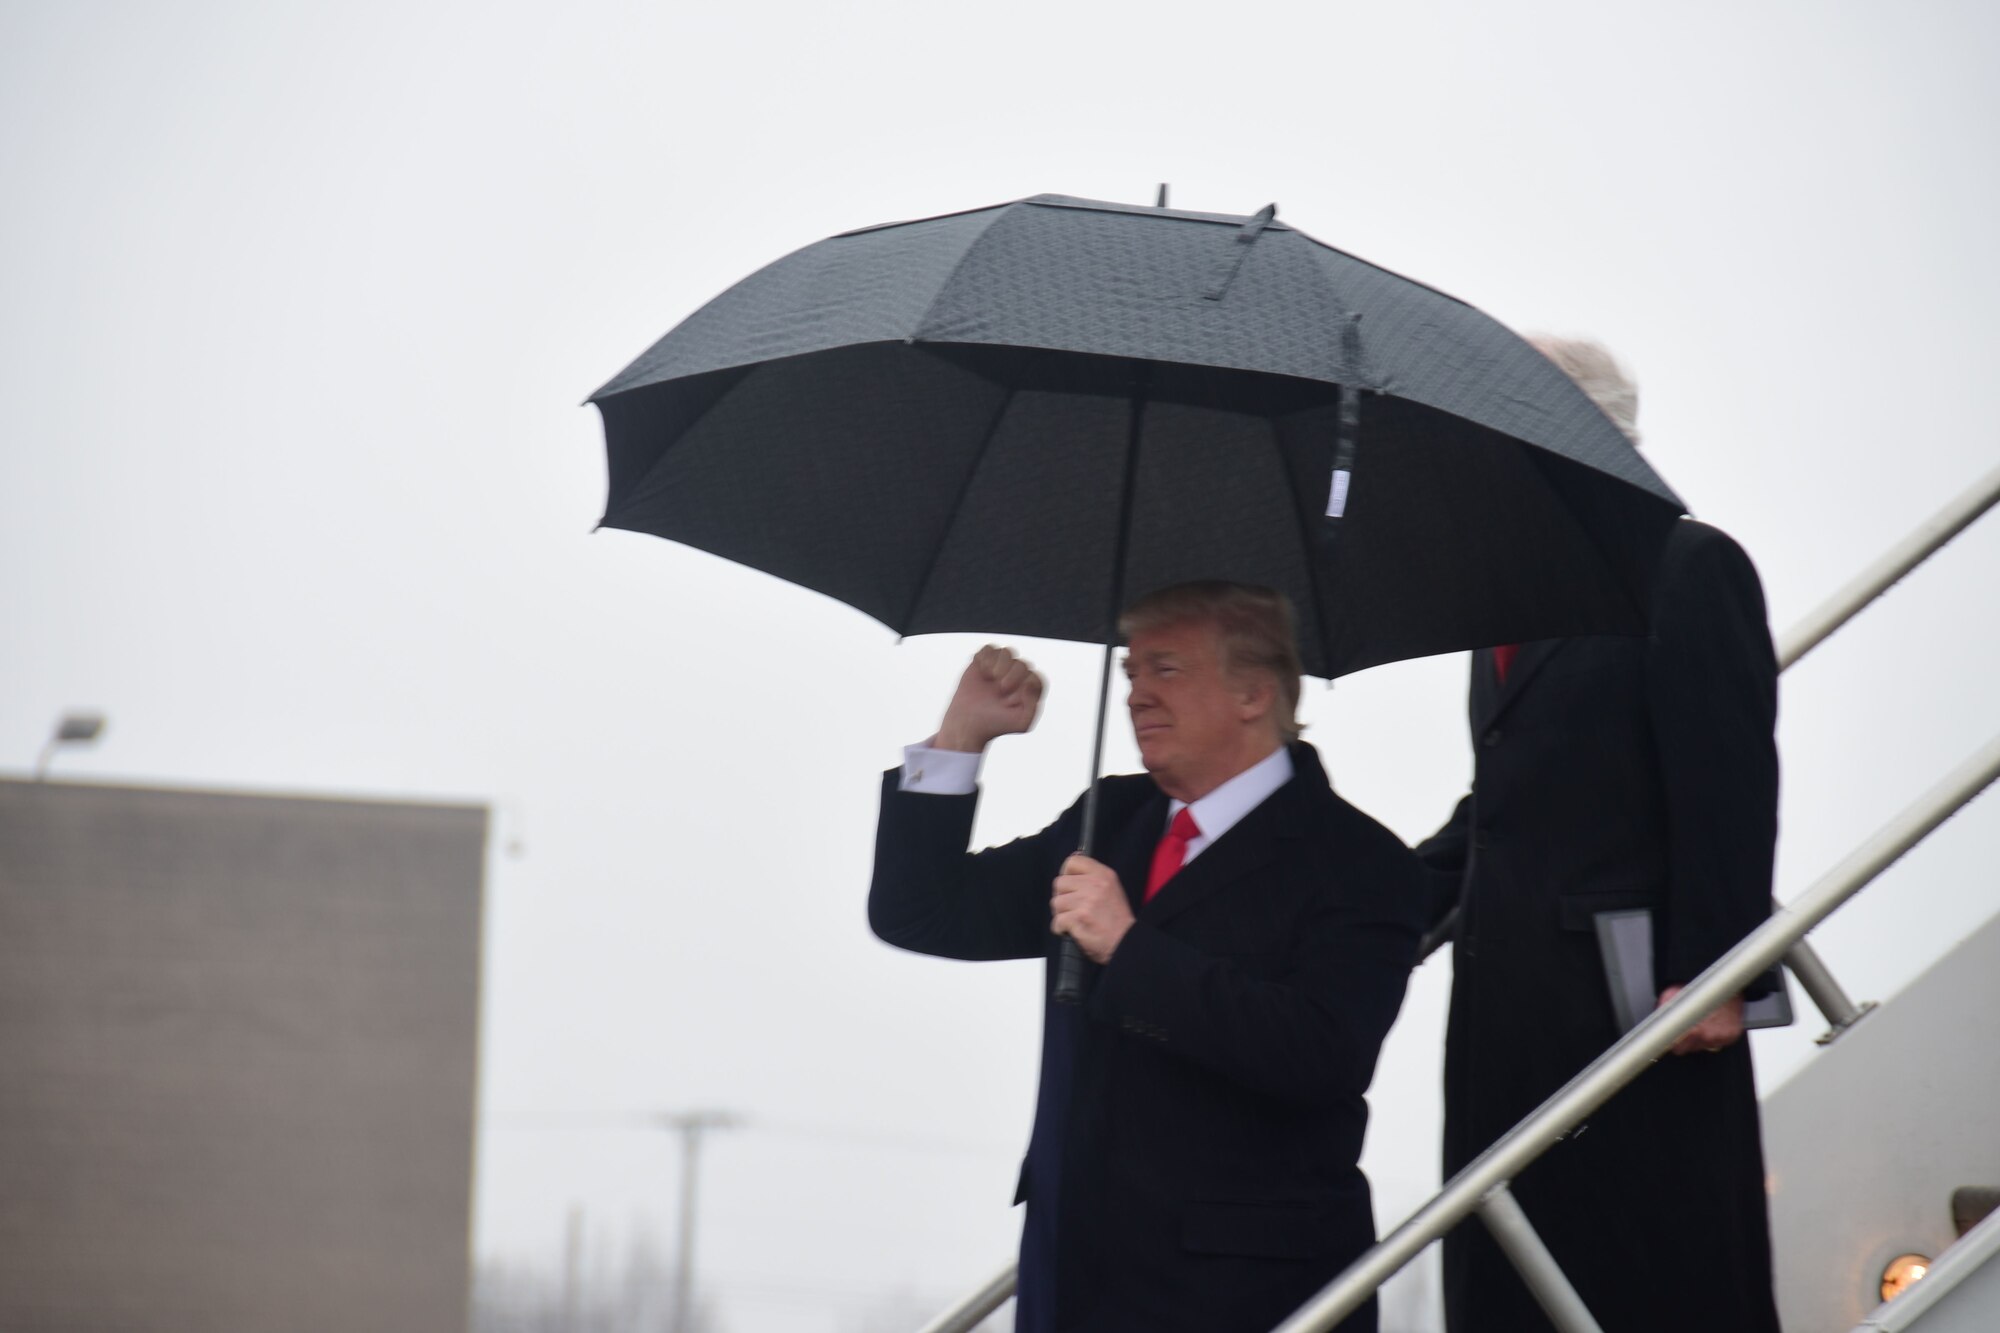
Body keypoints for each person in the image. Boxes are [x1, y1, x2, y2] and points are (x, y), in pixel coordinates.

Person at [870, 582, 1428, 1333]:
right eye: (1131, 673)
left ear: (1253, 693)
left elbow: (1321, 1053)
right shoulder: (1109, 819)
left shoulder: (1360, 861)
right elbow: (922, 912)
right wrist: (961, 738)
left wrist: (1129, 949)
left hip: (1246, 1297)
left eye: (1166, 670)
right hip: (1075, 1283)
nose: (1137, 695)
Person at [1418, 337, 1781, 1333]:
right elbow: (1501, 807)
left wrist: (1716, 973)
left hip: (1634, 1025)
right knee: (1510, 1287)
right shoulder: (1509, 599)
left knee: (1643, 1282)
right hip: (1504, 1024)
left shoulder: (1684, 566)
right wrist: (1360, 897)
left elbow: (1727, 784)